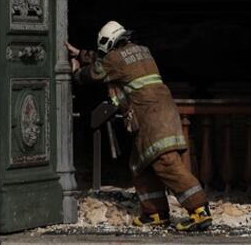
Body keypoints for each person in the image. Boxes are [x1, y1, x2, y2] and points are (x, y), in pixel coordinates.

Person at [66, 20, 212, 232]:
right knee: (140, 164)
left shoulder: (115, 59)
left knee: (166, 162)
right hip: (159, 113)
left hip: (151, 117)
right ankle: (155, 213)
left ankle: (199, 210)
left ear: (108, 42)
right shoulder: (142, 51)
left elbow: (94, 73)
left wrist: (75, 72)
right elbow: (107, 60)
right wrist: (80, 52)